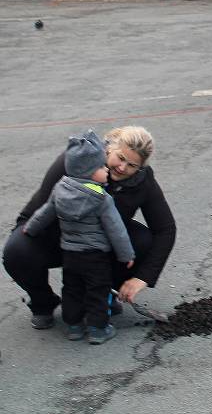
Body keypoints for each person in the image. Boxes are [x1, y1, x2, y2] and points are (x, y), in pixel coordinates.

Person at [3, 126, 176, 330]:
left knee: (142, 241)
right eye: (120, 158)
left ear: (140, 168)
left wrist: (142, 277)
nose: (122, 168)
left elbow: (165, 229)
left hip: (96, 242)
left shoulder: (143, 180)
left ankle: (103, 292)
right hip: (52, 231)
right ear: (108, 149)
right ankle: (43, 302)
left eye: (132, 165)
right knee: (17, 252)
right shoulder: (76, 160)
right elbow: (46, 209)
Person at [23, 130, 135, 344]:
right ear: (90, 172)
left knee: (72, 289)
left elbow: (46, 212)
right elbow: (116, 230)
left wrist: (31, 228)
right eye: (102, 168)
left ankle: (74, 326)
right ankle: (97, 329)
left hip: (70, 255)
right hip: (95, 256)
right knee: (97, 290)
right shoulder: (101, 198)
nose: (106, 171)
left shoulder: (60, 189)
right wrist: (126, 254)